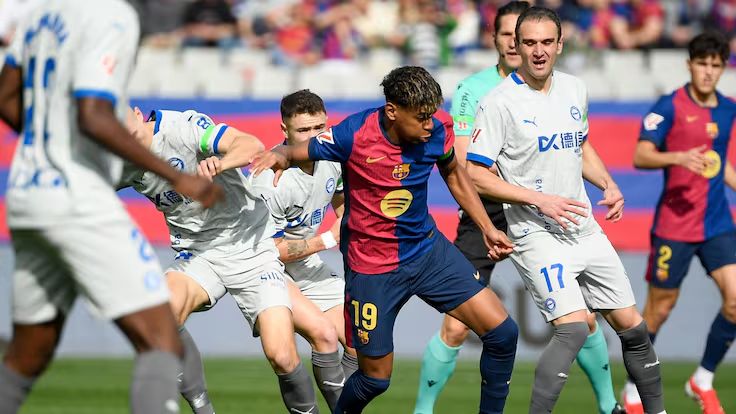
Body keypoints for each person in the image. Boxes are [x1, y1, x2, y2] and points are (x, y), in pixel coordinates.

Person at [252, 65, 519, 414]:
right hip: (373, 270)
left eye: (431, 115)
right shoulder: (354, 133)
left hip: (427, 252)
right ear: (392, 112)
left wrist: (487, 226)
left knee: (503, 334)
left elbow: (454, 173)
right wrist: (280, 155)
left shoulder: (438, 130)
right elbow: (298, 151)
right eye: (420, 118)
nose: (429, 125)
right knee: (375, 379)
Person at [0, 1, 222, 413]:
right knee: (161, 334)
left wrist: (48, 148)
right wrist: (177, 177)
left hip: (28, 191)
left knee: (30, 351)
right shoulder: (112, 15)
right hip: (75, 196)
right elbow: (95, 115)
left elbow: (5, 95)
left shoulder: (40, 16)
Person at [414, 3, 622, 414]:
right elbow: (463, 157)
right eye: (509, 35)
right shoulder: (477, 90)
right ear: (496, 39)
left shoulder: (559, 87)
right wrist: (481, 209)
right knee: (457, 325)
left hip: (546, 216)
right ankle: (423, 411)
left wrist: (607, 182)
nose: (516, 43)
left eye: (522, 36)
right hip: (487, 212)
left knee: (583, 317)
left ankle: (610, 405)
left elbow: (577, 142)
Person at [465, 6, 666, 414]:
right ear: (516, 47)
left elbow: (580, 145)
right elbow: (475, 173)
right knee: (573, 328)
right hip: (536, 234)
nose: (538, 52)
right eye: (529, 43)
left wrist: (607, 183)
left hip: (583, 226)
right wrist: (540, 200)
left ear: (560, 44)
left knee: (633, 326)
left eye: (546, 43)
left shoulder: (575, 88)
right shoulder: (498, 102)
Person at [122, 106, 332, 414]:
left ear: (138, 114)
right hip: (198, 254)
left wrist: (221, 163)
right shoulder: (116, 157)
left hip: (251, 246)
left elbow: (250, 144)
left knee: (282, 356)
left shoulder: (183, 127)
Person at [623, 31, 736, 414]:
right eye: (702, 63)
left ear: (722, 69)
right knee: (659, 310)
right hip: (674, 226)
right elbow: (640, 155)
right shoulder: (669, 106)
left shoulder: (727, 108)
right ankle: (632, 389)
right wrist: (676, 157)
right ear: (689, 65)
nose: (707, 72)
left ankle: (701, 379)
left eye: (715, 65)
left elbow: (720, 162)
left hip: (717, 222)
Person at [254, 89, 359, 410]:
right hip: (265, 269)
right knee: (324, 336)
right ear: (284, 131)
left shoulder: (332, 159)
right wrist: (328, 239)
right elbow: (269, 250)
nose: (313, 138)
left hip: (307, 265)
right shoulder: (270, 181)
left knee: (362, 342)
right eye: (303, 131)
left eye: (319, 129)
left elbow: (342, 205)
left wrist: (347, 222)